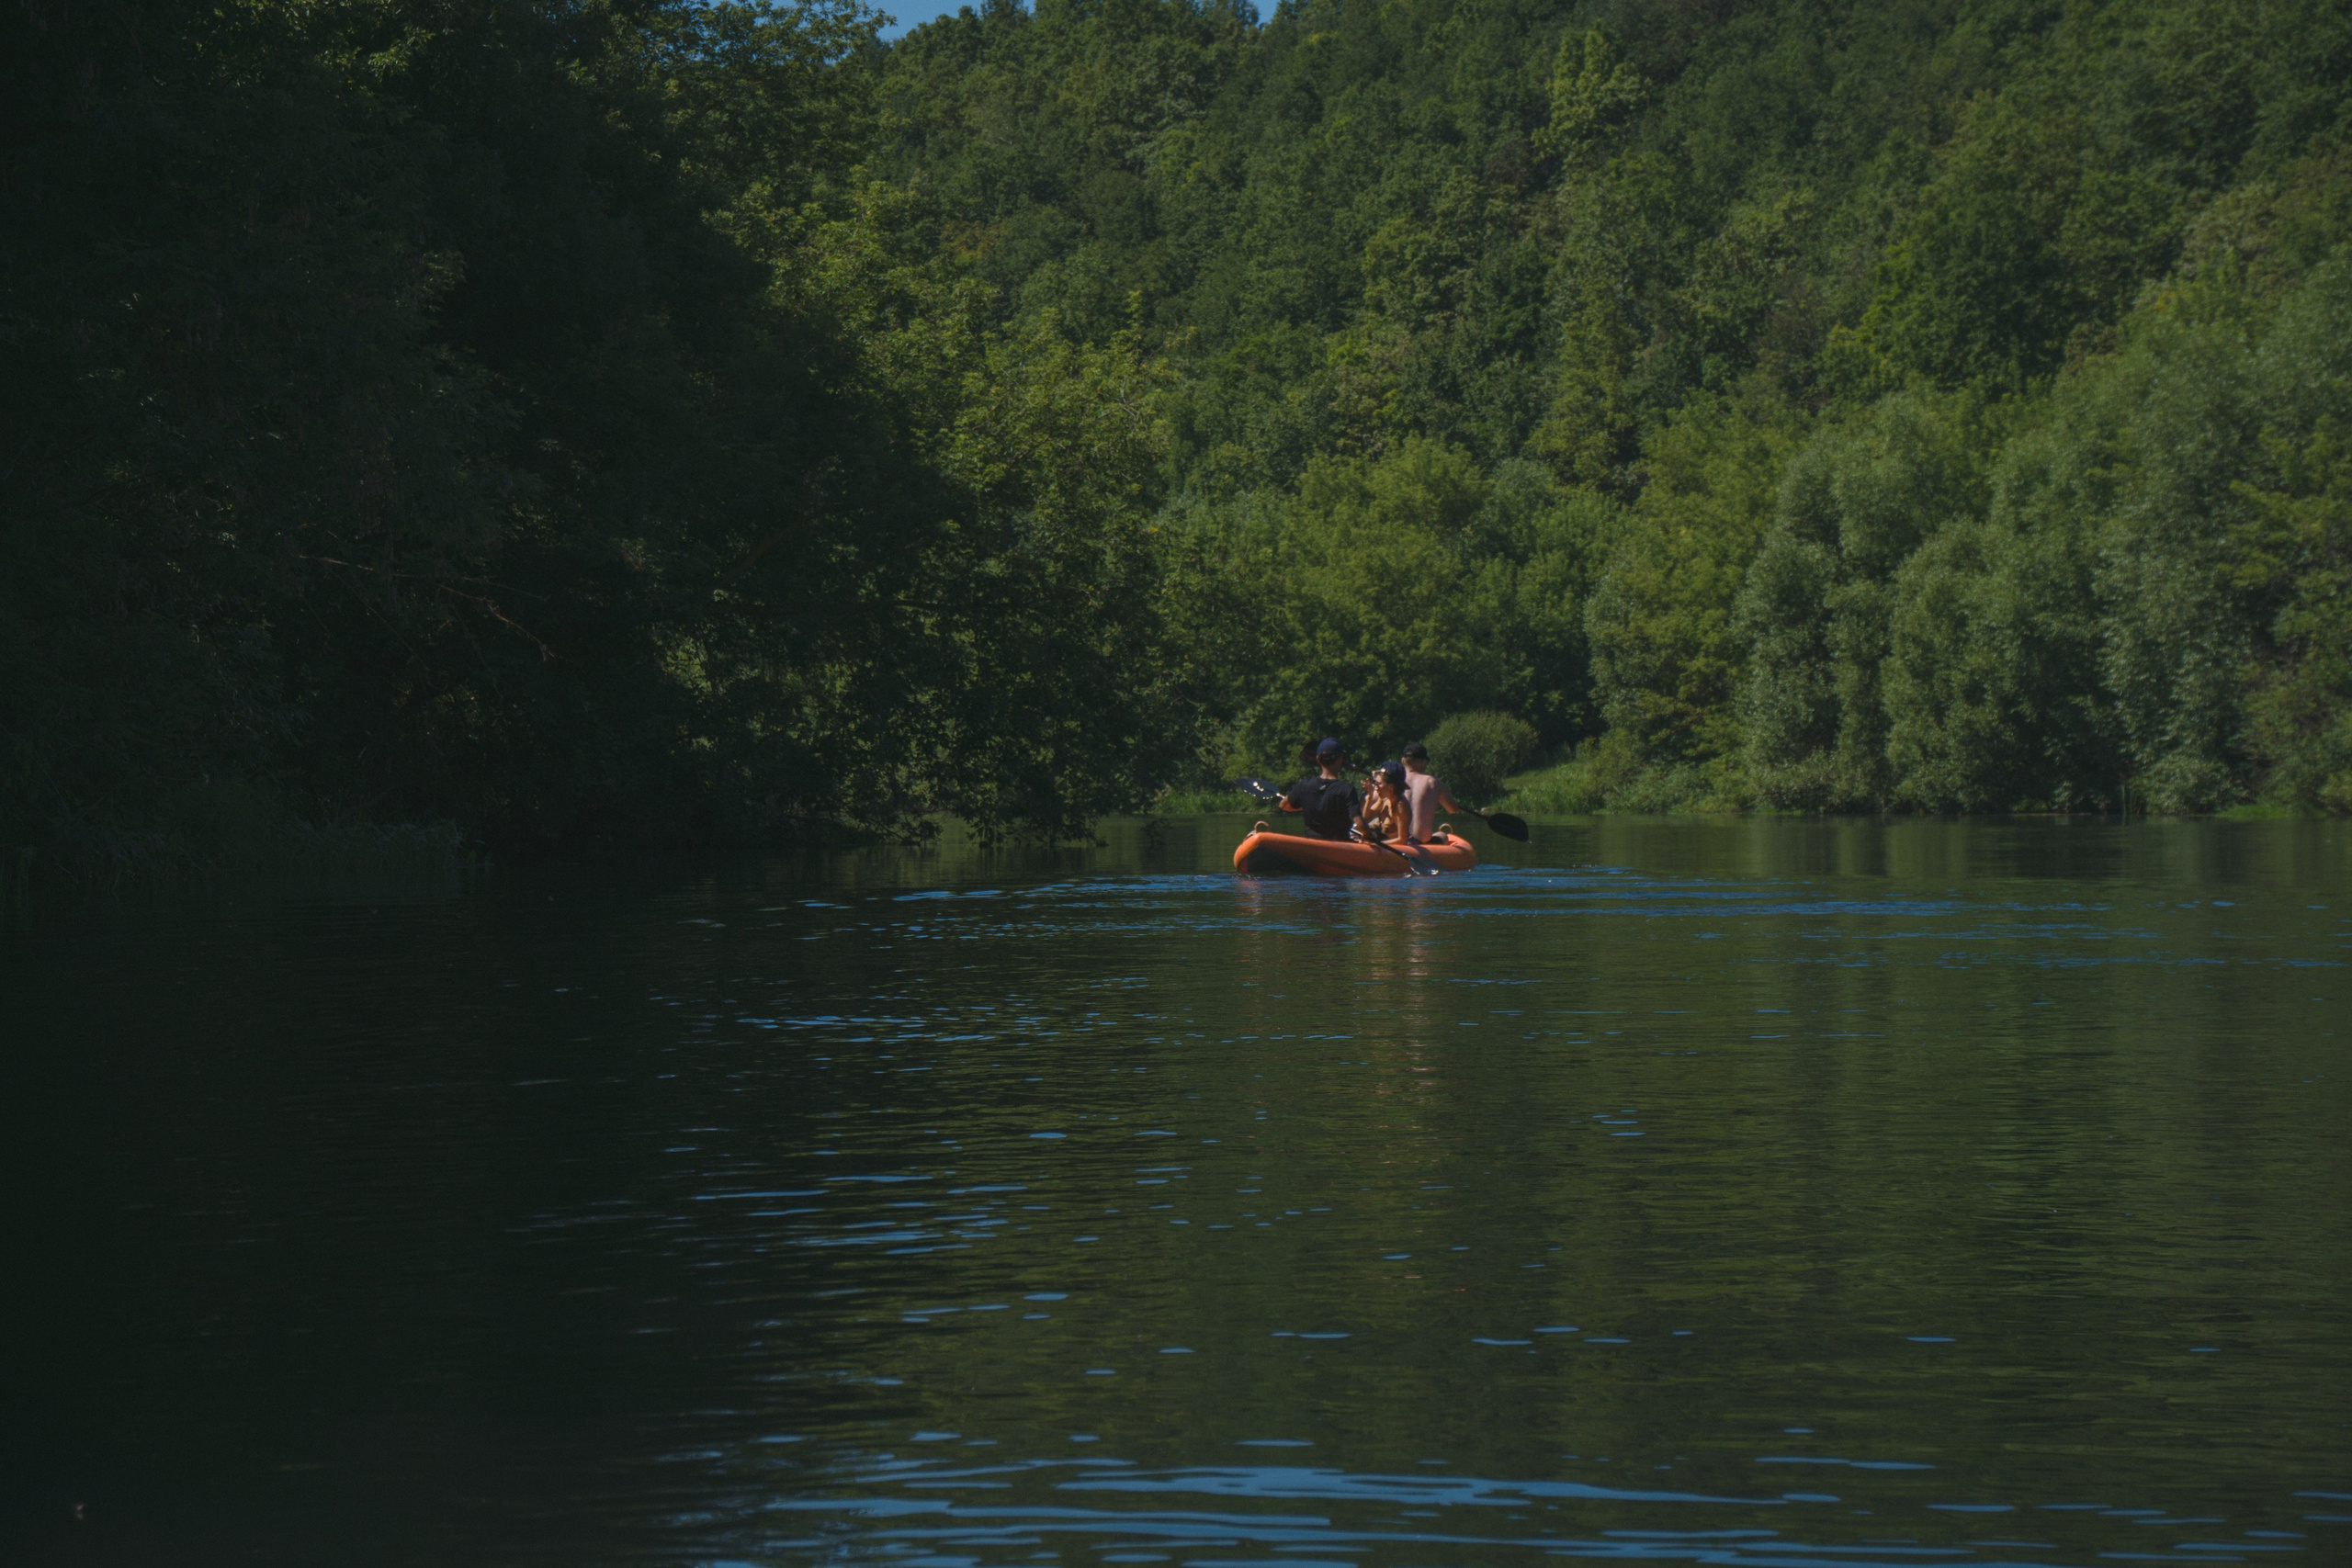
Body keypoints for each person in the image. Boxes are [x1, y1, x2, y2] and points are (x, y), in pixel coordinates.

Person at [1280, 737, 1364, 841]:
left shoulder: (1304, 785)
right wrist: (1370, 836)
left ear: (1318, 759)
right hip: (1339, 844)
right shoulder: (1347, 789)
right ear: (1341, 759)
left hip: (1312, 842)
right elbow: (1360, 825)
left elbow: (1283, 805)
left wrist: (1311, 807)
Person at [1398, 740, 1470, 844]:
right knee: (1443, 835)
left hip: (1397, 842)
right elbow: (1452, 809)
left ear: (1403, 760)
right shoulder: (1432, 783)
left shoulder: (1391, 782)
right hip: (1421, 844)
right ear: (1423, 762)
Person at [1361, 760, 1409, 843]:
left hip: (1395, 849)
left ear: (1391, 787)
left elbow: (1402, 840)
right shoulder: (1384, 799)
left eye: (1379, 784)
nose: (1376, 787)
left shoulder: (1400, 806)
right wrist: (1370, 796)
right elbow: (1366, 819)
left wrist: (1375, 844)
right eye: (1375, 783)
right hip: (1382, 843)